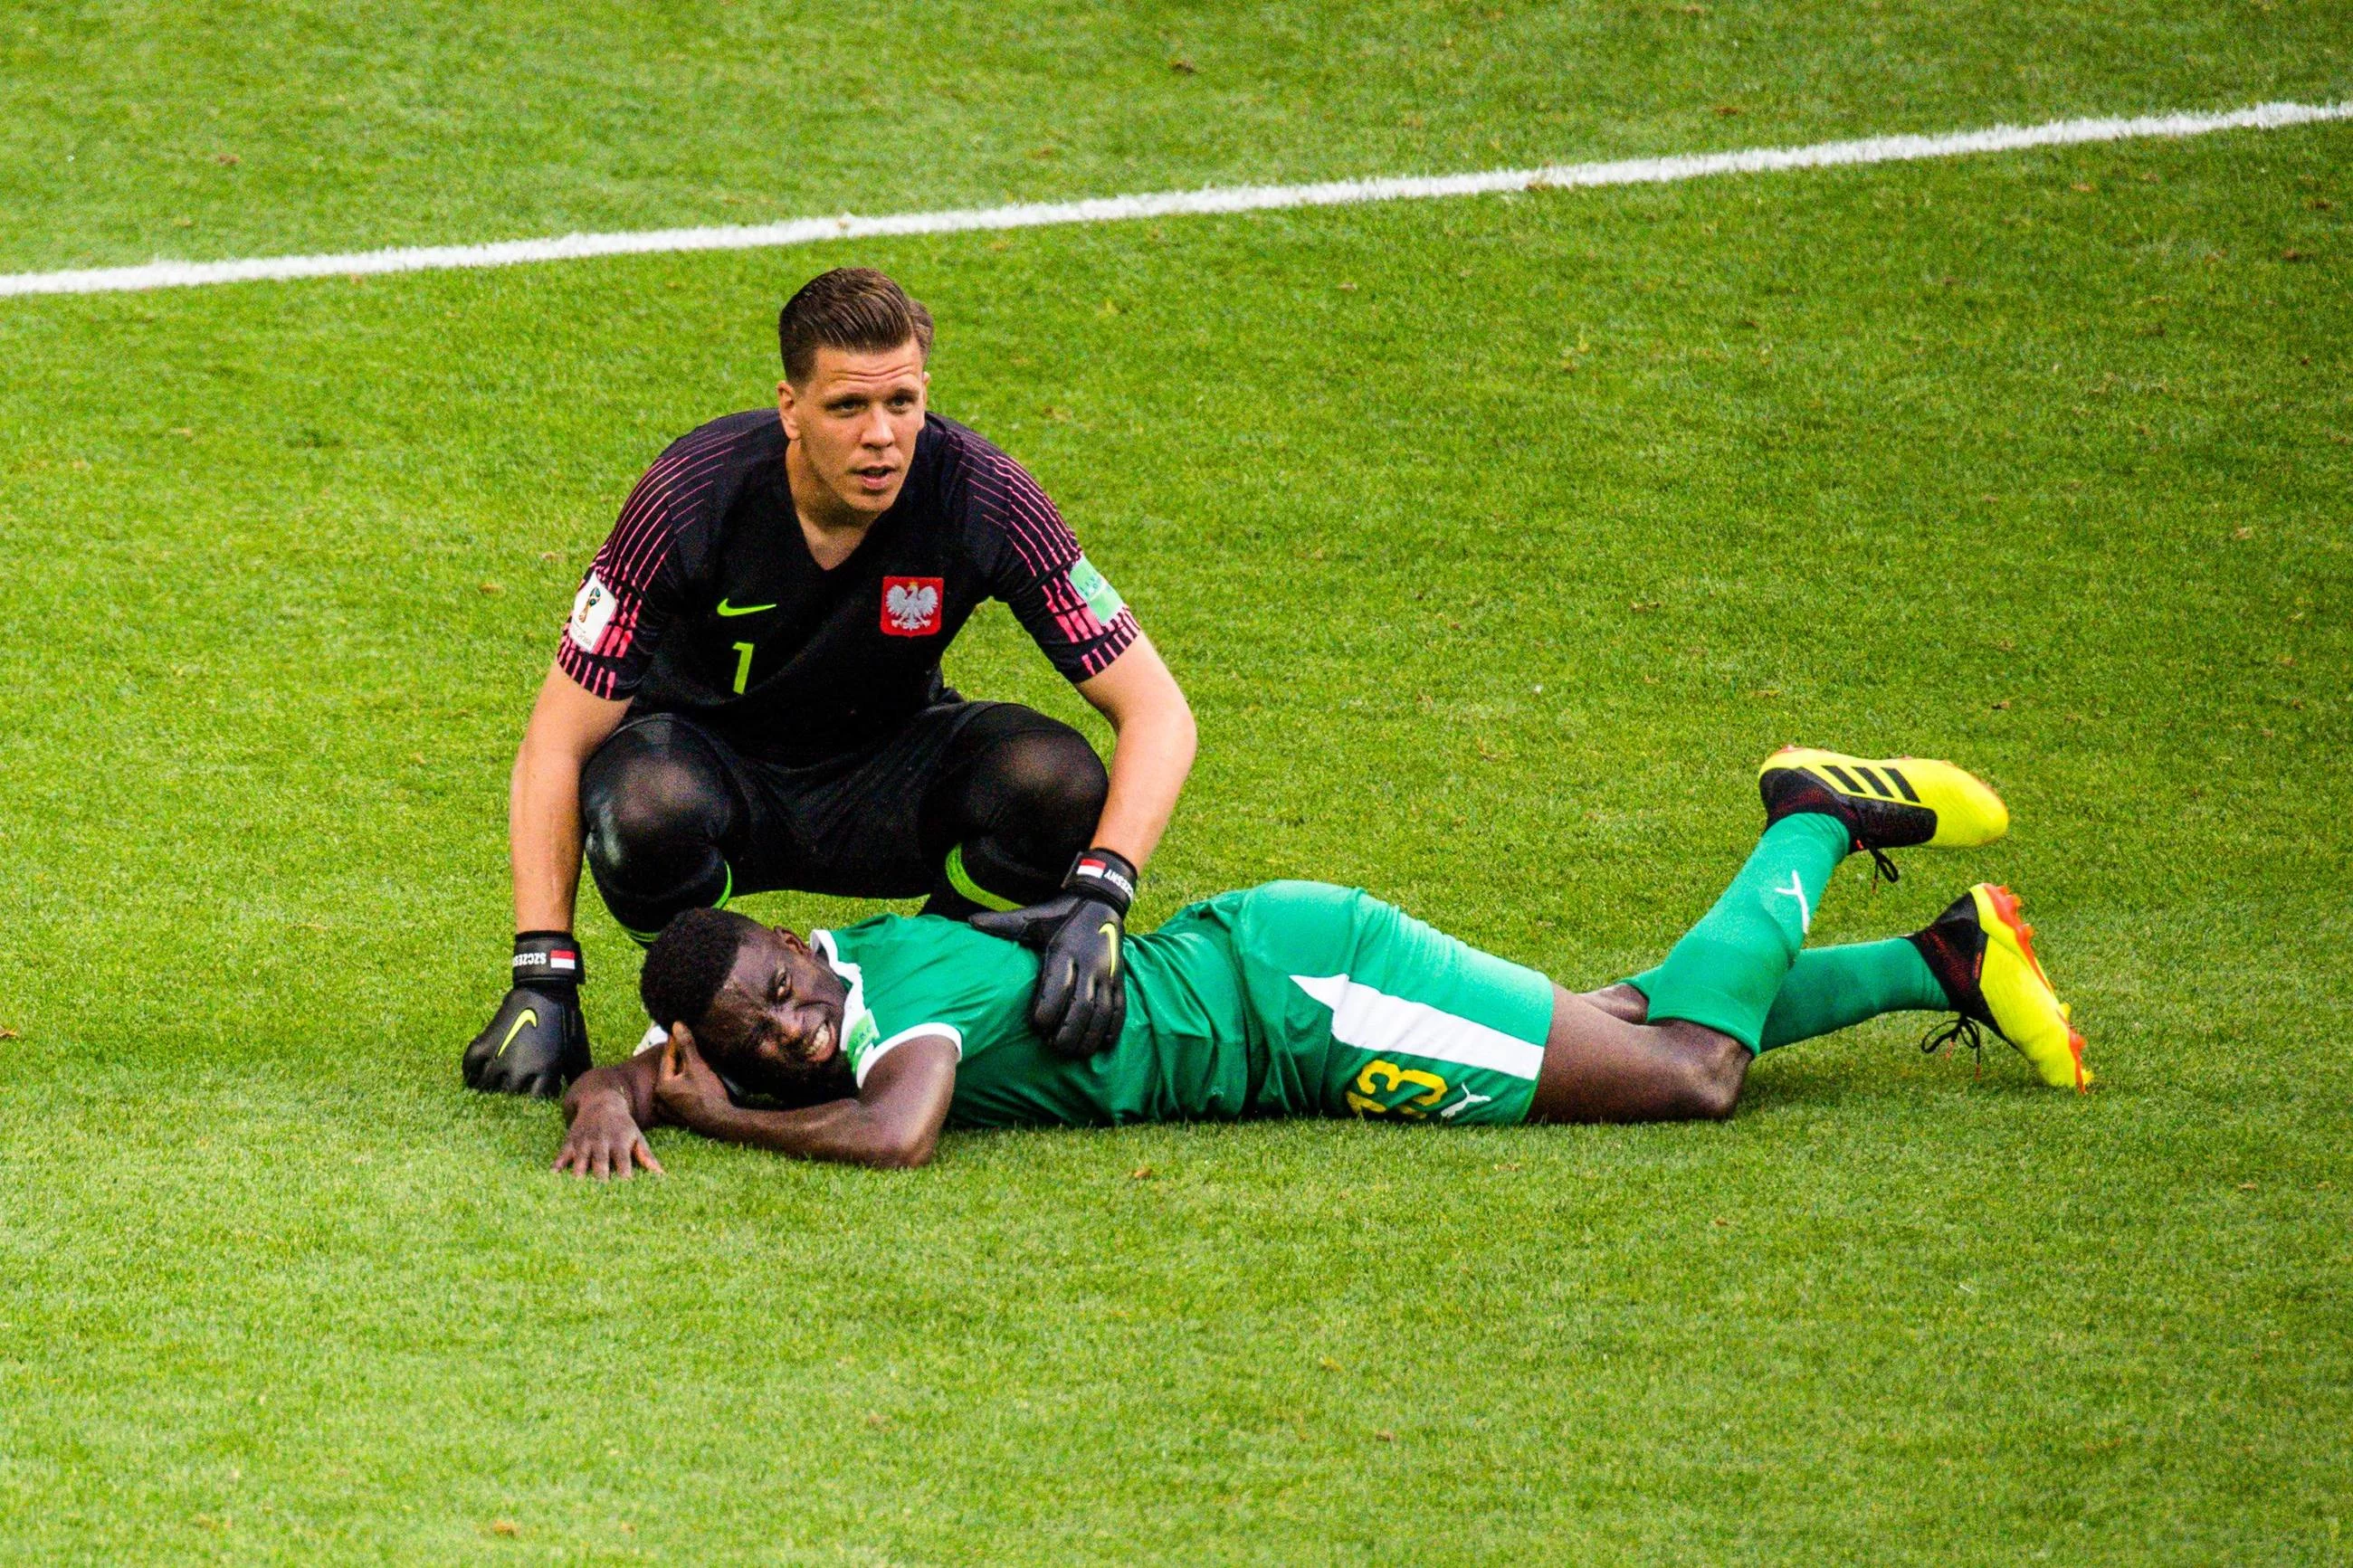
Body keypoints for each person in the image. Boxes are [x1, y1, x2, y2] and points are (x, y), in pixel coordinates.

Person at [551, 747, 2092, 1176]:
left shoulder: (898, 1013)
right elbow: (679, 1023)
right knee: (1624, 1015)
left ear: (786, 938)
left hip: (1309, 1008)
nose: (799, 1025)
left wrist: (706, 1112)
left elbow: (895, 1132)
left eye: (784, 987)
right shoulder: (836, 955)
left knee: (1688, 1074)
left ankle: (1808, 820)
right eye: (761, 1035)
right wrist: (610, 1085)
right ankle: (1944, 959)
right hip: (1289, 981)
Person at [465, 268, 1197, 1098]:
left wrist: (1103, 895)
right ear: (790, 407)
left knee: (1055, 780)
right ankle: (727, 1017)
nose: (881, 436)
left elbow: (1159, 711)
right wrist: (543, 973)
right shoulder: (690, 497)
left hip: (888, 773)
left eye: (903, 403)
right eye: (849, 407)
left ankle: (922, 980)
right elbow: (556, 742)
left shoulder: (984, 495)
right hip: (714, 777)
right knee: (639, 805)